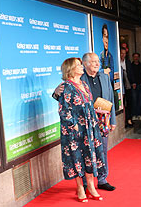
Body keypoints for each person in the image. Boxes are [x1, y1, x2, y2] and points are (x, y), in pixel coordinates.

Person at [53, 53, 117, 191]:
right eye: (93, 61)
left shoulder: (104, 77)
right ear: (86, 64)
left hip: (101, 120)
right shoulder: (78, 79)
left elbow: (111, 98)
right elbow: (60, 96)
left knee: (101, 150)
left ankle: (102, 179)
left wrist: (113, 120)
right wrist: (56, 92)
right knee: (85, 152)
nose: (97, 63)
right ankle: (86, 183)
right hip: (83, 124)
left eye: (97, 61)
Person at [58, 58, 106, 202]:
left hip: (90, 128)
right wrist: (75, 126)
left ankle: (91, 186)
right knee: (77, 158)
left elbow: (89, 105)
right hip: (75, 131)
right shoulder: (66, 86)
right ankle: (80, 188)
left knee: (90, 156)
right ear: (70, 69)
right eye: (78, 65)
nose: (81, 67)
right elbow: (64, 110)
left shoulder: (84, 84)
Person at [130, 53, 141, 121]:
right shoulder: (130, 66)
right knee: (134, 100)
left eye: (137, 57)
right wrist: (132, 83)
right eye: (134, 57)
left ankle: (139, 114)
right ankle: (134, 115)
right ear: (133, 57)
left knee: (140, 100)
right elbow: (130, 75)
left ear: (139, 57)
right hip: (134, 85)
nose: (136, 58)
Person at [120, 47, 134, 128]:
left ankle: (129, 119)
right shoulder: (117, 61)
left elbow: (131, 73)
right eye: (122, 53)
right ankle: (124, 120)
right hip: (120, 85)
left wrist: (133, 82)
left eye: (124, 53)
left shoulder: (128, 62)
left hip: (128, 85)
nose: (123, 55)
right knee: (122, 104)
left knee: (130, 102)